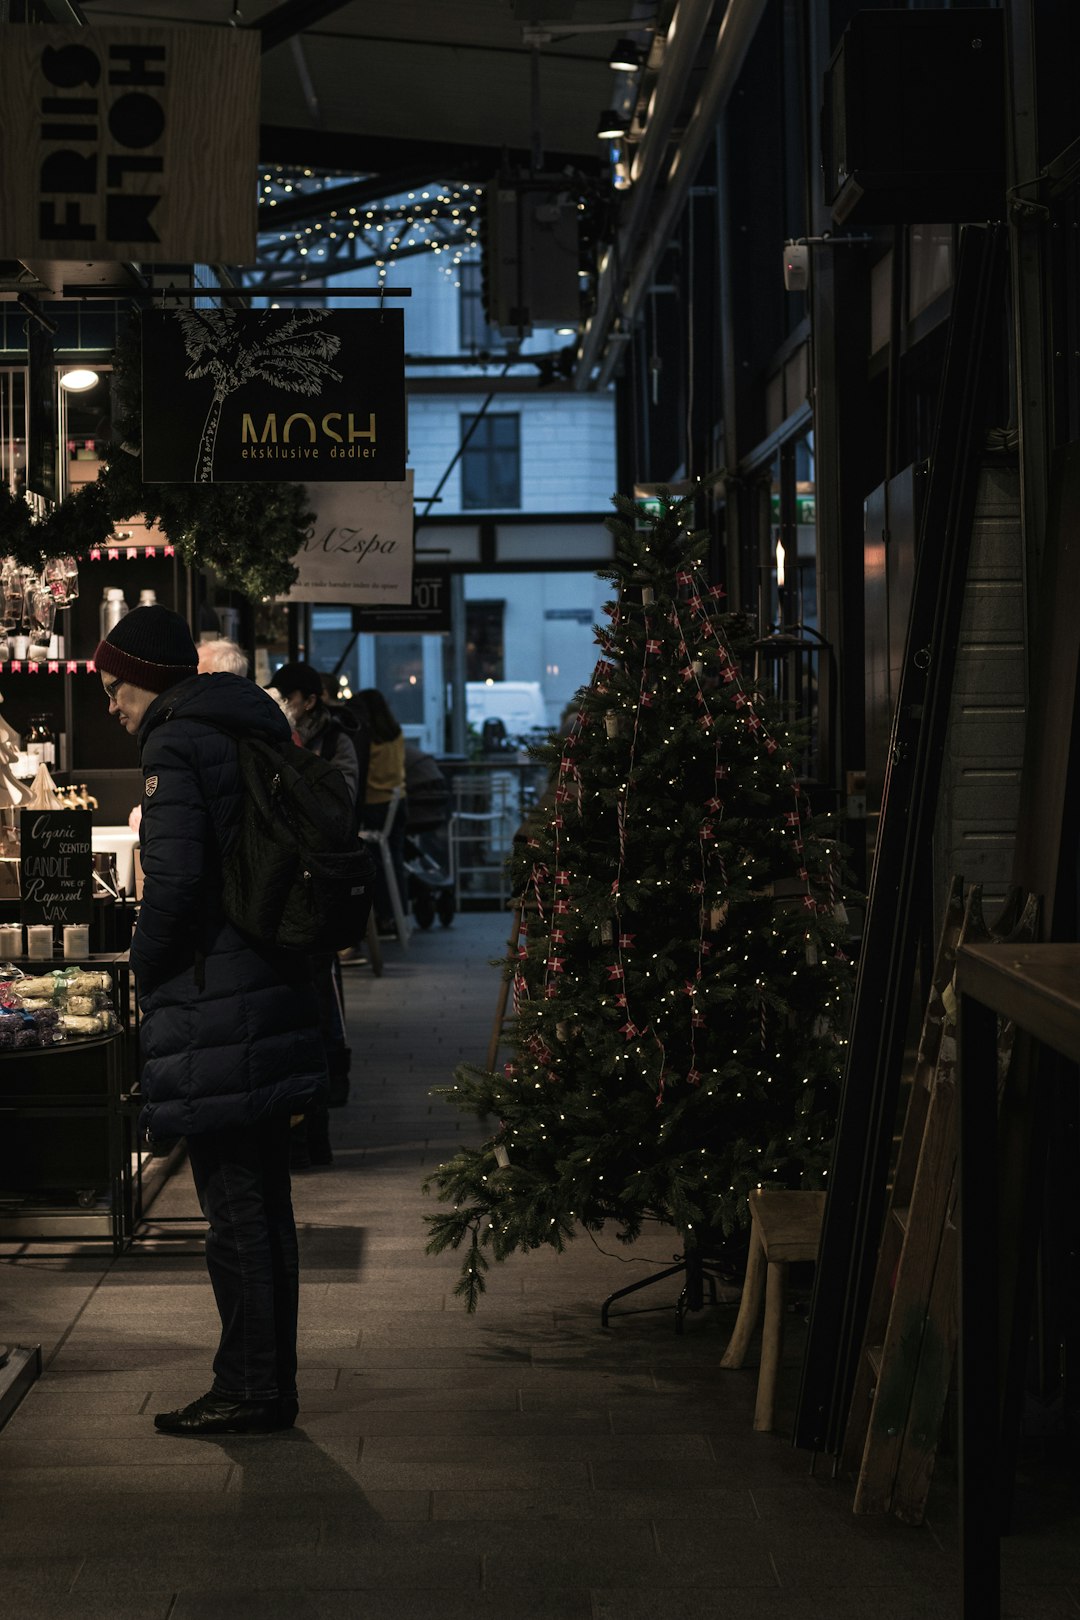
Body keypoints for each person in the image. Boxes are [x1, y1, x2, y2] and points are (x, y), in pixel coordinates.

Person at [94, 604, 327, 1437]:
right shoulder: (243, 724)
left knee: (235, 1212)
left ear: (147, 682)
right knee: (262, 1205)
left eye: (116, 688)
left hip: (217, 996)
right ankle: (264, 1382)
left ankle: (251, 1390)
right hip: (267, 982)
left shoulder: (173, 740)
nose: (111, 706)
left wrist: (143, 964)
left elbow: (178, 883)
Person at [267, 661, 360, 1128]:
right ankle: (318, 1089)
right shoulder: (280, 738)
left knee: (320, 980)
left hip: (322, 871)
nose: (284, 703)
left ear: (308, 700)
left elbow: (341, 802)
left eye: (289, 695)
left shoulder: (331, 741)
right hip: (300, 871)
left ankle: (332, 1073)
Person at [351, 688, 407, 936]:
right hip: (398, 801)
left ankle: (383, 918)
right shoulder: (395, 733)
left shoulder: (367, 737)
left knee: (377, 865)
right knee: (395, 860)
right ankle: (398, 915)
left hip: (374, 804)